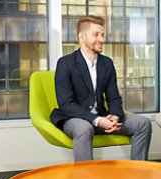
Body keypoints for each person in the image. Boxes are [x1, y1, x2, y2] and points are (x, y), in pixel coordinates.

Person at [50, 16, 152, 162]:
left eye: (103, 35)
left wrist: (115, 116)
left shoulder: (107, 63)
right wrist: (97, 120)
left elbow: (114, 97)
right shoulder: (65, 63)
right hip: (74, 118)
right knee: (84, 128)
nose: (102, 39)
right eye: (96, 34)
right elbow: (66, 105)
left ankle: (139, 172)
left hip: (103, 117)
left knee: (143, 123)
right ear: (82, 37)